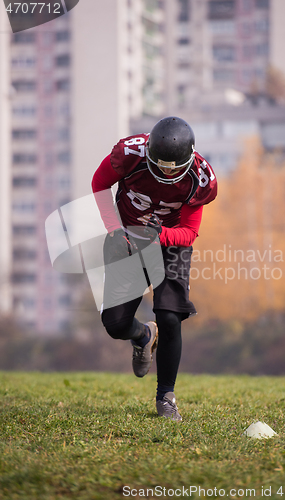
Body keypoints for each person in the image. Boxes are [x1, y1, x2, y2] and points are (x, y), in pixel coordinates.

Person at [91, 116, 217, 421]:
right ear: (149, 152)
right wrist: (114, 229)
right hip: (128, 237)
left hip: (170, 242)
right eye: (160, 165)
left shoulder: (199, 178)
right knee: (115, 324)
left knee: (171, 316)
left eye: (173, 169)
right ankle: (144, 336)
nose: (166, 173)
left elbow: (188, 232)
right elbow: (100, 183)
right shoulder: (130, 155)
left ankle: (166, 397)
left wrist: (161, 236)